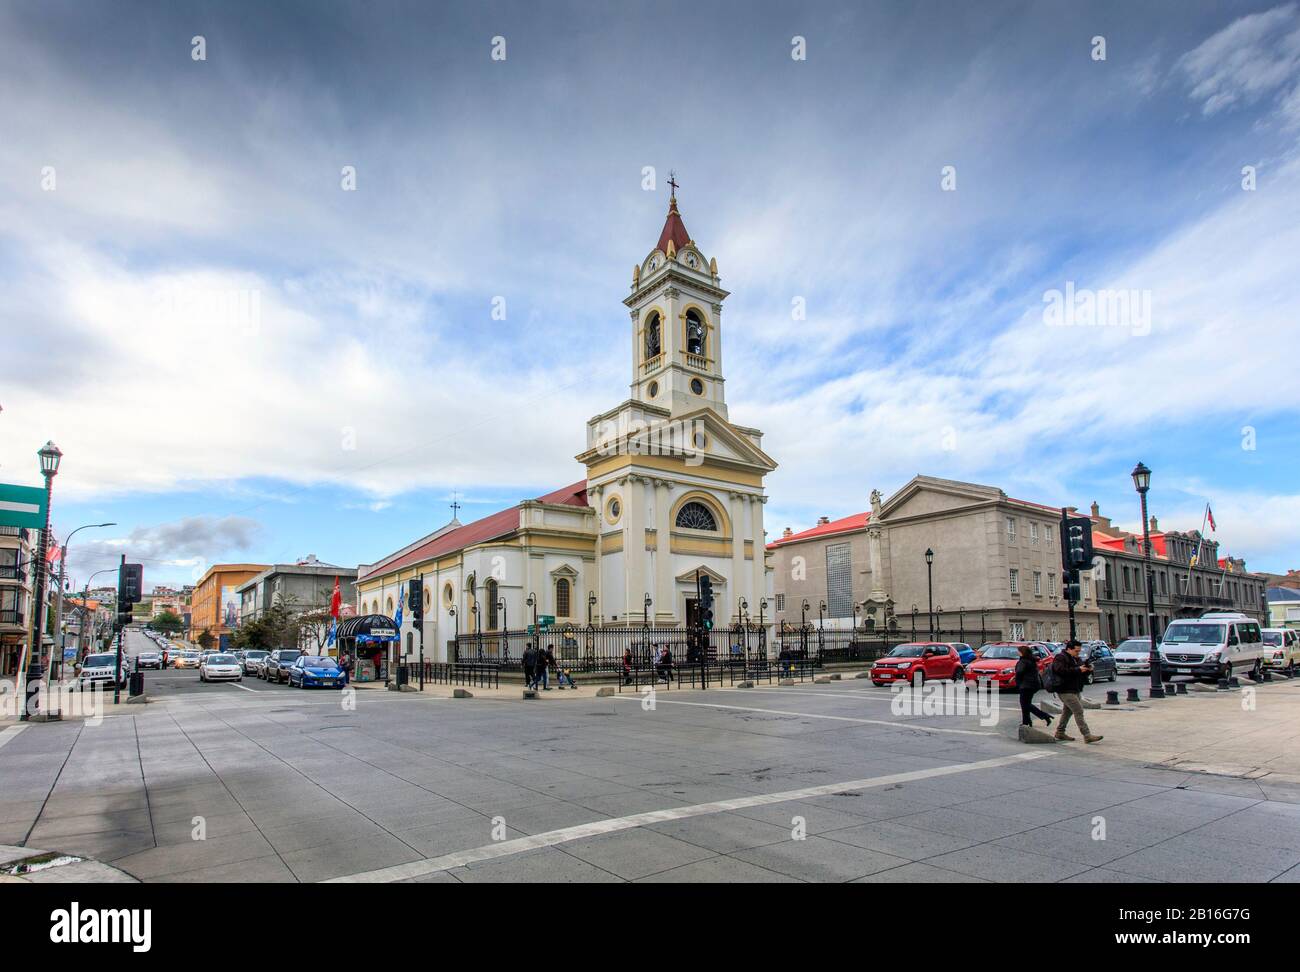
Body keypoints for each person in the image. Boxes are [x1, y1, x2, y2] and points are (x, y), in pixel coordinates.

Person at [1051, 640, 1103, 743]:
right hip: (1065, 689)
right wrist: (1078, 669)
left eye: (1079, 651)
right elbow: (1060, 670)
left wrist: (1088, 669)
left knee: (1067, 712)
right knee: (1078, 710)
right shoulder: (1061, 657)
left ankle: (1060, 732)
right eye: (1076, 651)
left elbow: (1080, 672)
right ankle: (1087, 735)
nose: (1078, 653)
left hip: (1075, 689)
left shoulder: (1076, 658)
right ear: (1069, 649)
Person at [1015, 644, 1052, 728]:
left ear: (1022, 653)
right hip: (1033, 684)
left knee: (1025, 704)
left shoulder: (1023, 661)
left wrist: (1017, 679)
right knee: (1025, 704)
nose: (1017, 652)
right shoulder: (1031, 660)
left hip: (1026, 685)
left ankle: (1044, 716)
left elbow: (1020, 672)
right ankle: (1026, 722)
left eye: (1018, 651)